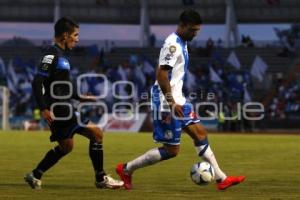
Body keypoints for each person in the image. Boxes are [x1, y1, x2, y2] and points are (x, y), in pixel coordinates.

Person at [116, 9, 245, 190]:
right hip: (165, 101)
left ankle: (221, 179)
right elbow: (161, 74)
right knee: (171, 151)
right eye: (192, 30)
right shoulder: (172, 45)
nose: (195, 34)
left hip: (178, 99)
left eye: (197, 30)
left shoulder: (182, 42)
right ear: (182, 26)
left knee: (200, 133)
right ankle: (126, 169)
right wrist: (171, 102)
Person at [24, 17, 123, 189]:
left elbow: (60, 86)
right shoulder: (51, 54)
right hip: (60, 108)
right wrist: (43, 109)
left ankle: (35, 174)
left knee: (66, 146)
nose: (77, 39)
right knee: (97, 134)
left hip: (63, 106)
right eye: (75, 35)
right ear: (64, 35)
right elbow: (37, 82)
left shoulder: (62, 56)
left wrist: (79, 97)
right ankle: (101, 178)